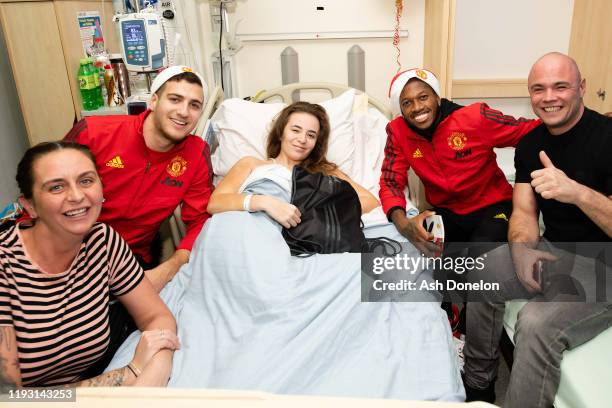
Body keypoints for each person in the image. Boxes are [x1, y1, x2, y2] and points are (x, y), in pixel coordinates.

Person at [462, 52, 612, 406]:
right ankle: (478, 386)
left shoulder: (607, 139)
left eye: (560, 86)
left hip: (604, 266)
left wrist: (576, 192)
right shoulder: (530, 145)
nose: (549, 97)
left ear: (582, 88)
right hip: (555, 250)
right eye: (538, 89)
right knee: (481, 270)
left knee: (534, 321)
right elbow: (524, 213)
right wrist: (521, 249)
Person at [64, 65, 213, 375]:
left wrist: (169, 268)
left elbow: (199, 220)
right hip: (68, 245)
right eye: (175, 99)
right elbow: (48, 181)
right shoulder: (96, 132)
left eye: (194, 105)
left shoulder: (196, 155)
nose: (184, 112)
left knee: (105, 344)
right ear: (154, 101)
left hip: (130, 260)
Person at [0, 141, 180, 388]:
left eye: (86, 181)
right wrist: (127, 374)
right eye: (56, 187)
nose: (76, 196)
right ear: (29, 205)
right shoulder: (5, 266)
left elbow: (157, 316)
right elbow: (9, 398)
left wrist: (158, 369)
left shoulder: (102, 241)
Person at [379, 68, 540, 256]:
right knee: (443, 274)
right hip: (447, 213)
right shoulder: (398, 132)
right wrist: (403, 224)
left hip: (492, 208)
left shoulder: (474, 118)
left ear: (437, 97)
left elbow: (529, 132)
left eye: (423, 97)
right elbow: (390, 181)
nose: (417, 108)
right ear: (401, 110)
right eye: (407, 103)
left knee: (482, 255)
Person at [207, 101, 379, 220]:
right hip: (245, 227)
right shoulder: (251, 164)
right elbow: (215, 203)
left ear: (316, 143)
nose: (302, 139)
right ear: (281, 132)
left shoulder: (324, 171)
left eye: (311, 135)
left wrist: (318, 212)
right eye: (295, 130)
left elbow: (369, 200)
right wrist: (262, 201)